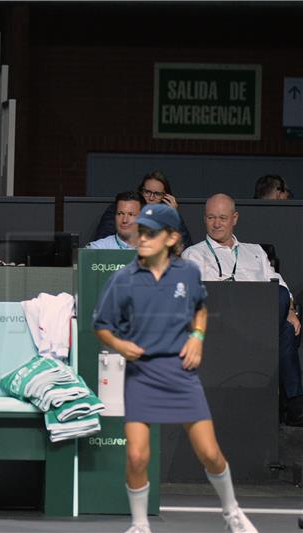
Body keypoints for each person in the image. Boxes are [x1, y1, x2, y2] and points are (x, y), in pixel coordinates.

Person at [94, 203, 257, 533]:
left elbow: (199, 309)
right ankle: (140, 525)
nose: (142, 237)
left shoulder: (188, 273)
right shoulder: (122, 279)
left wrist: (197, 337)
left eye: (150, 233)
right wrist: (121, 345)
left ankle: (232, 512)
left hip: (180, 373)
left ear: (171, 238)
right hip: (141, 375)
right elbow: (102, 325)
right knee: (138, 457)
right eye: (140, 231)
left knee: (210, 454)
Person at [182, 193, 302, 425]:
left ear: (234, 218)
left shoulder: (255, 251)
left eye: (223, 218)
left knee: (281, 307)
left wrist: (290, 311)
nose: (216, 224)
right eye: (211, 217)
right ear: (204, 219)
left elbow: (280, 285)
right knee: (284, 331)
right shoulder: (194, 254)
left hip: (260, 320)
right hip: (222, 324)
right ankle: (294, 401)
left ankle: (294, 402)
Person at [94, 171, 193, 249]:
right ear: (141, 191)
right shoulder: (120, 208)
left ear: (165, 197)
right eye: (147, 192)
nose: (151, 198)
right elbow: (102, 246)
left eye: (157, 194)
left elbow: (186, 250)